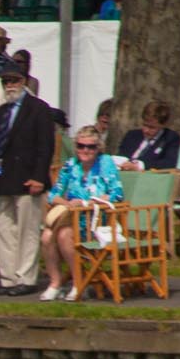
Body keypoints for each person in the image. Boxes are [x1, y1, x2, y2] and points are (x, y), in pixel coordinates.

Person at [0, 63, 63, 295]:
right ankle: (8, 278)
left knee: (27, 230)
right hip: (4, 178)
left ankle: (26, 278)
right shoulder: (2, 111)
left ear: (24, 82)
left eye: (14, 81)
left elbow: (45, 146)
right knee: (4, 229)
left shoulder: (38, 108)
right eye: (6, 82)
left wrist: (39, 177)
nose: (10, 86)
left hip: (29, 178)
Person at [38, 125, 123, 301]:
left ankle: (79, 283)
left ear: (98, 148)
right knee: (47, 236)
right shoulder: (71, 165)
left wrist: (88, 202)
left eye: (90, 147)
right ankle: (55, 283)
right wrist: (67, 204)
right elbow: (53, 195)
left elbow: (117, 193)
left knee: (64, 235)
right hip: (71, 218)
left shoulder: (105, 163)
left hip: (96, 222)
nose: (85, 150)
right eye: (80, 146)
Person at [117, 102, 180, 170]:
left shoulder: (170, 138)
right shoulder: (132, 135)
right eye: (144, 125)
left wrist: (140, 165)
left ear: (163, 125)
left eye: (152, 127)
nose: (146, 130)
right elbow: (121, 156)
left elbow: (169, 163)